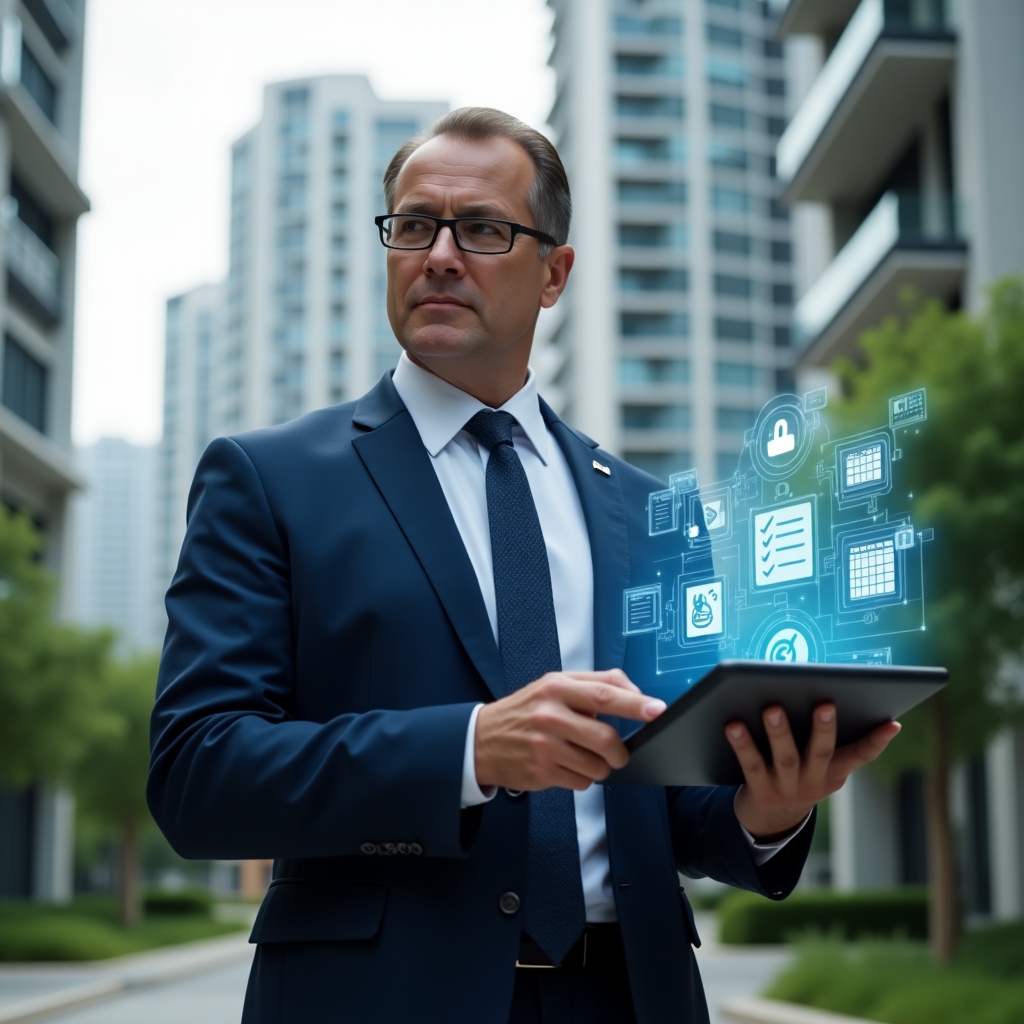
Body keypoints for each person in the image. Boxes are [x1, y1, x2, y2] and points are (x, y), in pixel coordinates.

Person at [148, 108, 900, 1024]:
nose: (440, 255)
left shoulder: (648, 513)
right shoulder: (268, 480)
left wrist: (769, 807)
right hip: (377, 1000)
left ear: (555, 272)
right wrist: (469, 750)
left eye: (485, 229)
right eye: (415, 225)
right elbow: (197, 774)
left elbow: (678, 804)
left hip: (632, 996)